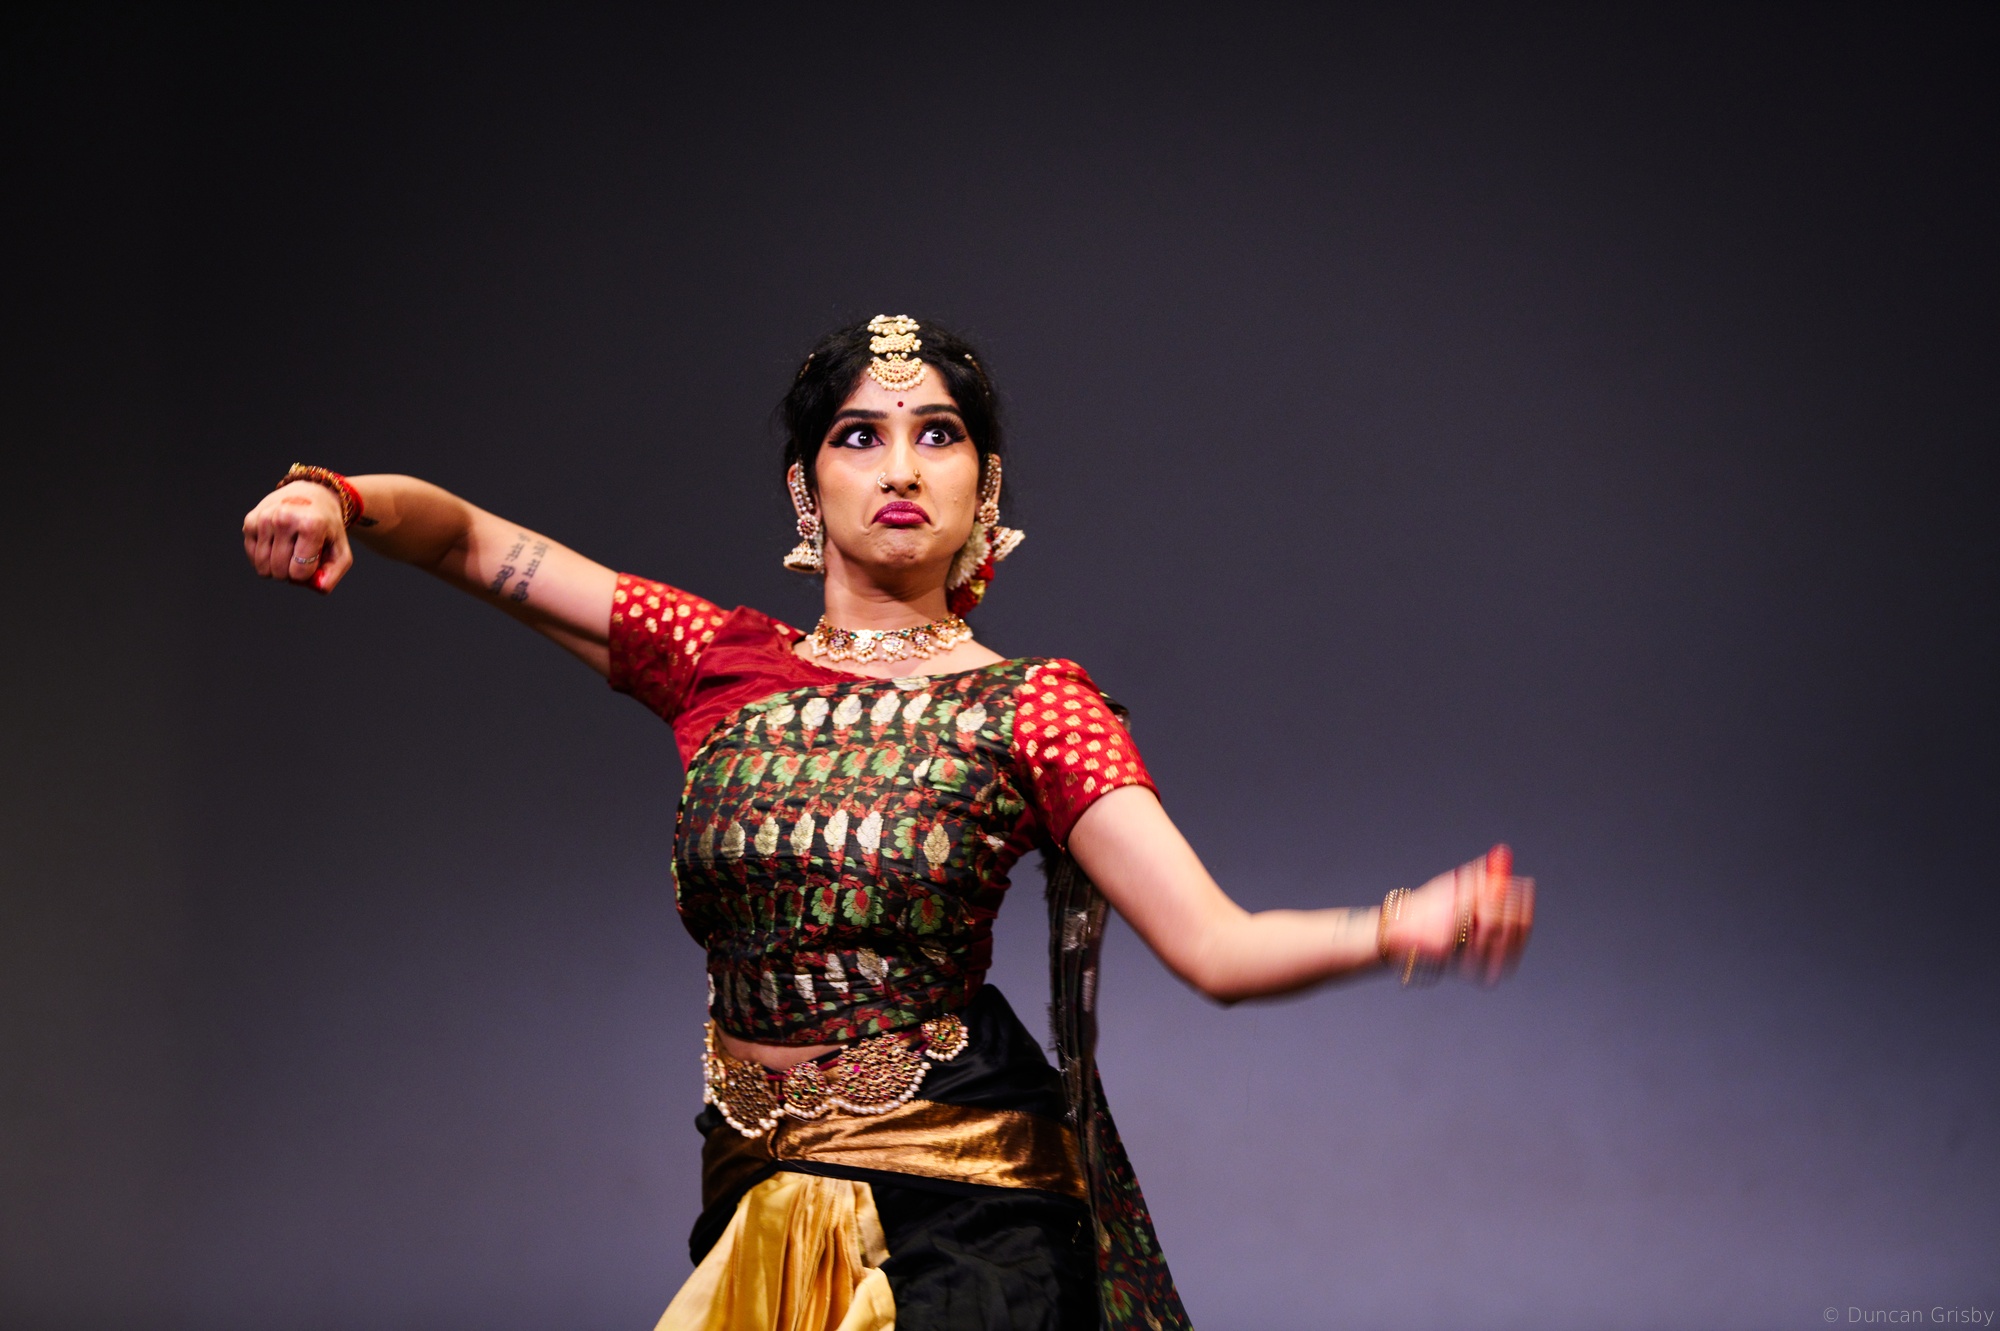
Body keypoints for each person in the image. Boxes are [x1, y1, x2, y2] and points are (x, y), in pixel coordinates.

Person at [241, 314, 1535, 1331]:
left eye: (940, 435)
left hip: (966, 1226)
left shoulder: (1035, 709)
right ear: (806, 489)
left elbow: (1217, 947)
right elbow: (469, 543)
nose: (903, 466)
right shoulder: (718, 662)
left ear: (987, 485)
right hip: (754, 1210)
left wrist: (1396, 926)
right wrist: (339, 499)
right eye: (860, 436)